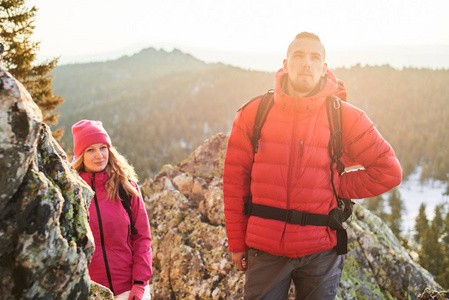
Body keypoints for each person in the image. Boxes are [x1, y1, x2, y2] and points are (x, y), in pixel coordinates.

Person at [223, 32, 402, 299]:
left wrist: (336, 185)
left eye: (314, 57)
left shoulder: (345, 117)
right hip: (265, 249)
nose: (306, 63)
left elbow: (388, 171)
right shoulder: (254, 114)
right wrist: (237, 244)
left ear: (324, 68)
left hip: (320, 251)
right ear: (286, 64)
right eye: (299, 56)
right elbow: (235, 182)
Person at [72, 120, 152, 300]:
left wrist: (139, 285)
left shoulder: (126, 188)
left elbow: (142, 239)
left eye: (103, 147)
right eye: (90, 150)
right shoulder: (72, 192)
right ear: (80, 155)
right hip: (91, 292)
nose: (99, 155)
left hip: (128, 288)